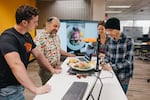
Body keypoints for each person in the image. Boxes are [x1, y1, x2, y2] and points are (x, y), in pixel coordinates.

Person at [0, 5, 61, 100]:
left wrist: (52, 70)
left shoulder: (27, 36)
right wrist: (34, 89)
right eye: (35, 22)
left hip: (18, 85)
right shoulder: (8, 38)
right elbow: (16, 64)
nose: (37, 24)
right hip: (8, 89)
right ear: (24, 22)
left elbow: (38, 54)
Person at [34, 17, 76, 85]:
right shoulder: (39, 38)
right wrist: (52, 69)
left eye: (58, 27)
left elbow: (58, 49)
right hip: (46, 71)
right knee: (50, 90)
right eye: (55, 26)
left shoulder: (55, 36)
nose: (57, 29)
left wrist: (70, 55)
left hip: (56, 68)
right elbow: (40, 59)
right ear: (47, 24)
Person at [101, 17, 134, 94]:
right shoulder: (109, 40)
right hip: (112, 73)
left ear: (118, 29)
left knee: (121, 94)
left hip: (123, 75)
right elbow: (107, 56)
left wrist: (111, 67)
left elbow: (128, 62)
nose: (109, 33)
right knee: (112, 94)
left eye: (111, 30)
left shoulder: (128, 40)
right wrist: (103, 62)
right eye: (107, 31)